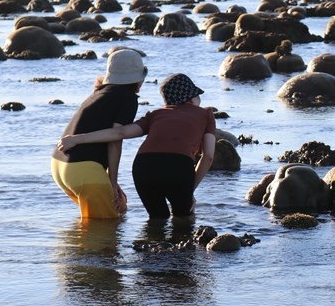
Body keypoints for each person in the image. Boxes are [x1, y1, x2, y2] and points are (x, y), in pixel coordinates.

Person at [58, 73, 216, 220]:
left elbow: (120, 133)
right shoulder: (206, 114)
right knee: (184, 220)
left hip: (144, 167)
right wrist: (189, 190)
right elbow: (208, 156)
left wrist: (77, 139)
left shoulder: (155, 114)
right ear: (191, 98)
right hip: (178, 166)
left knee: (157, 219)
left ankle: (148, 248)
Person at [52, 49, 147, 219]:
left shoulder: (99, 94)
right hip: (84, 169)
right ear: (138, 78)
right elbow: (116, 139)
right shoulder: (128, 98)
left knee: (117, 211)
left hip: (60, 165)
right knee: (104, 230)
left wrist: (111, 181)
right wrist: (113, 182)